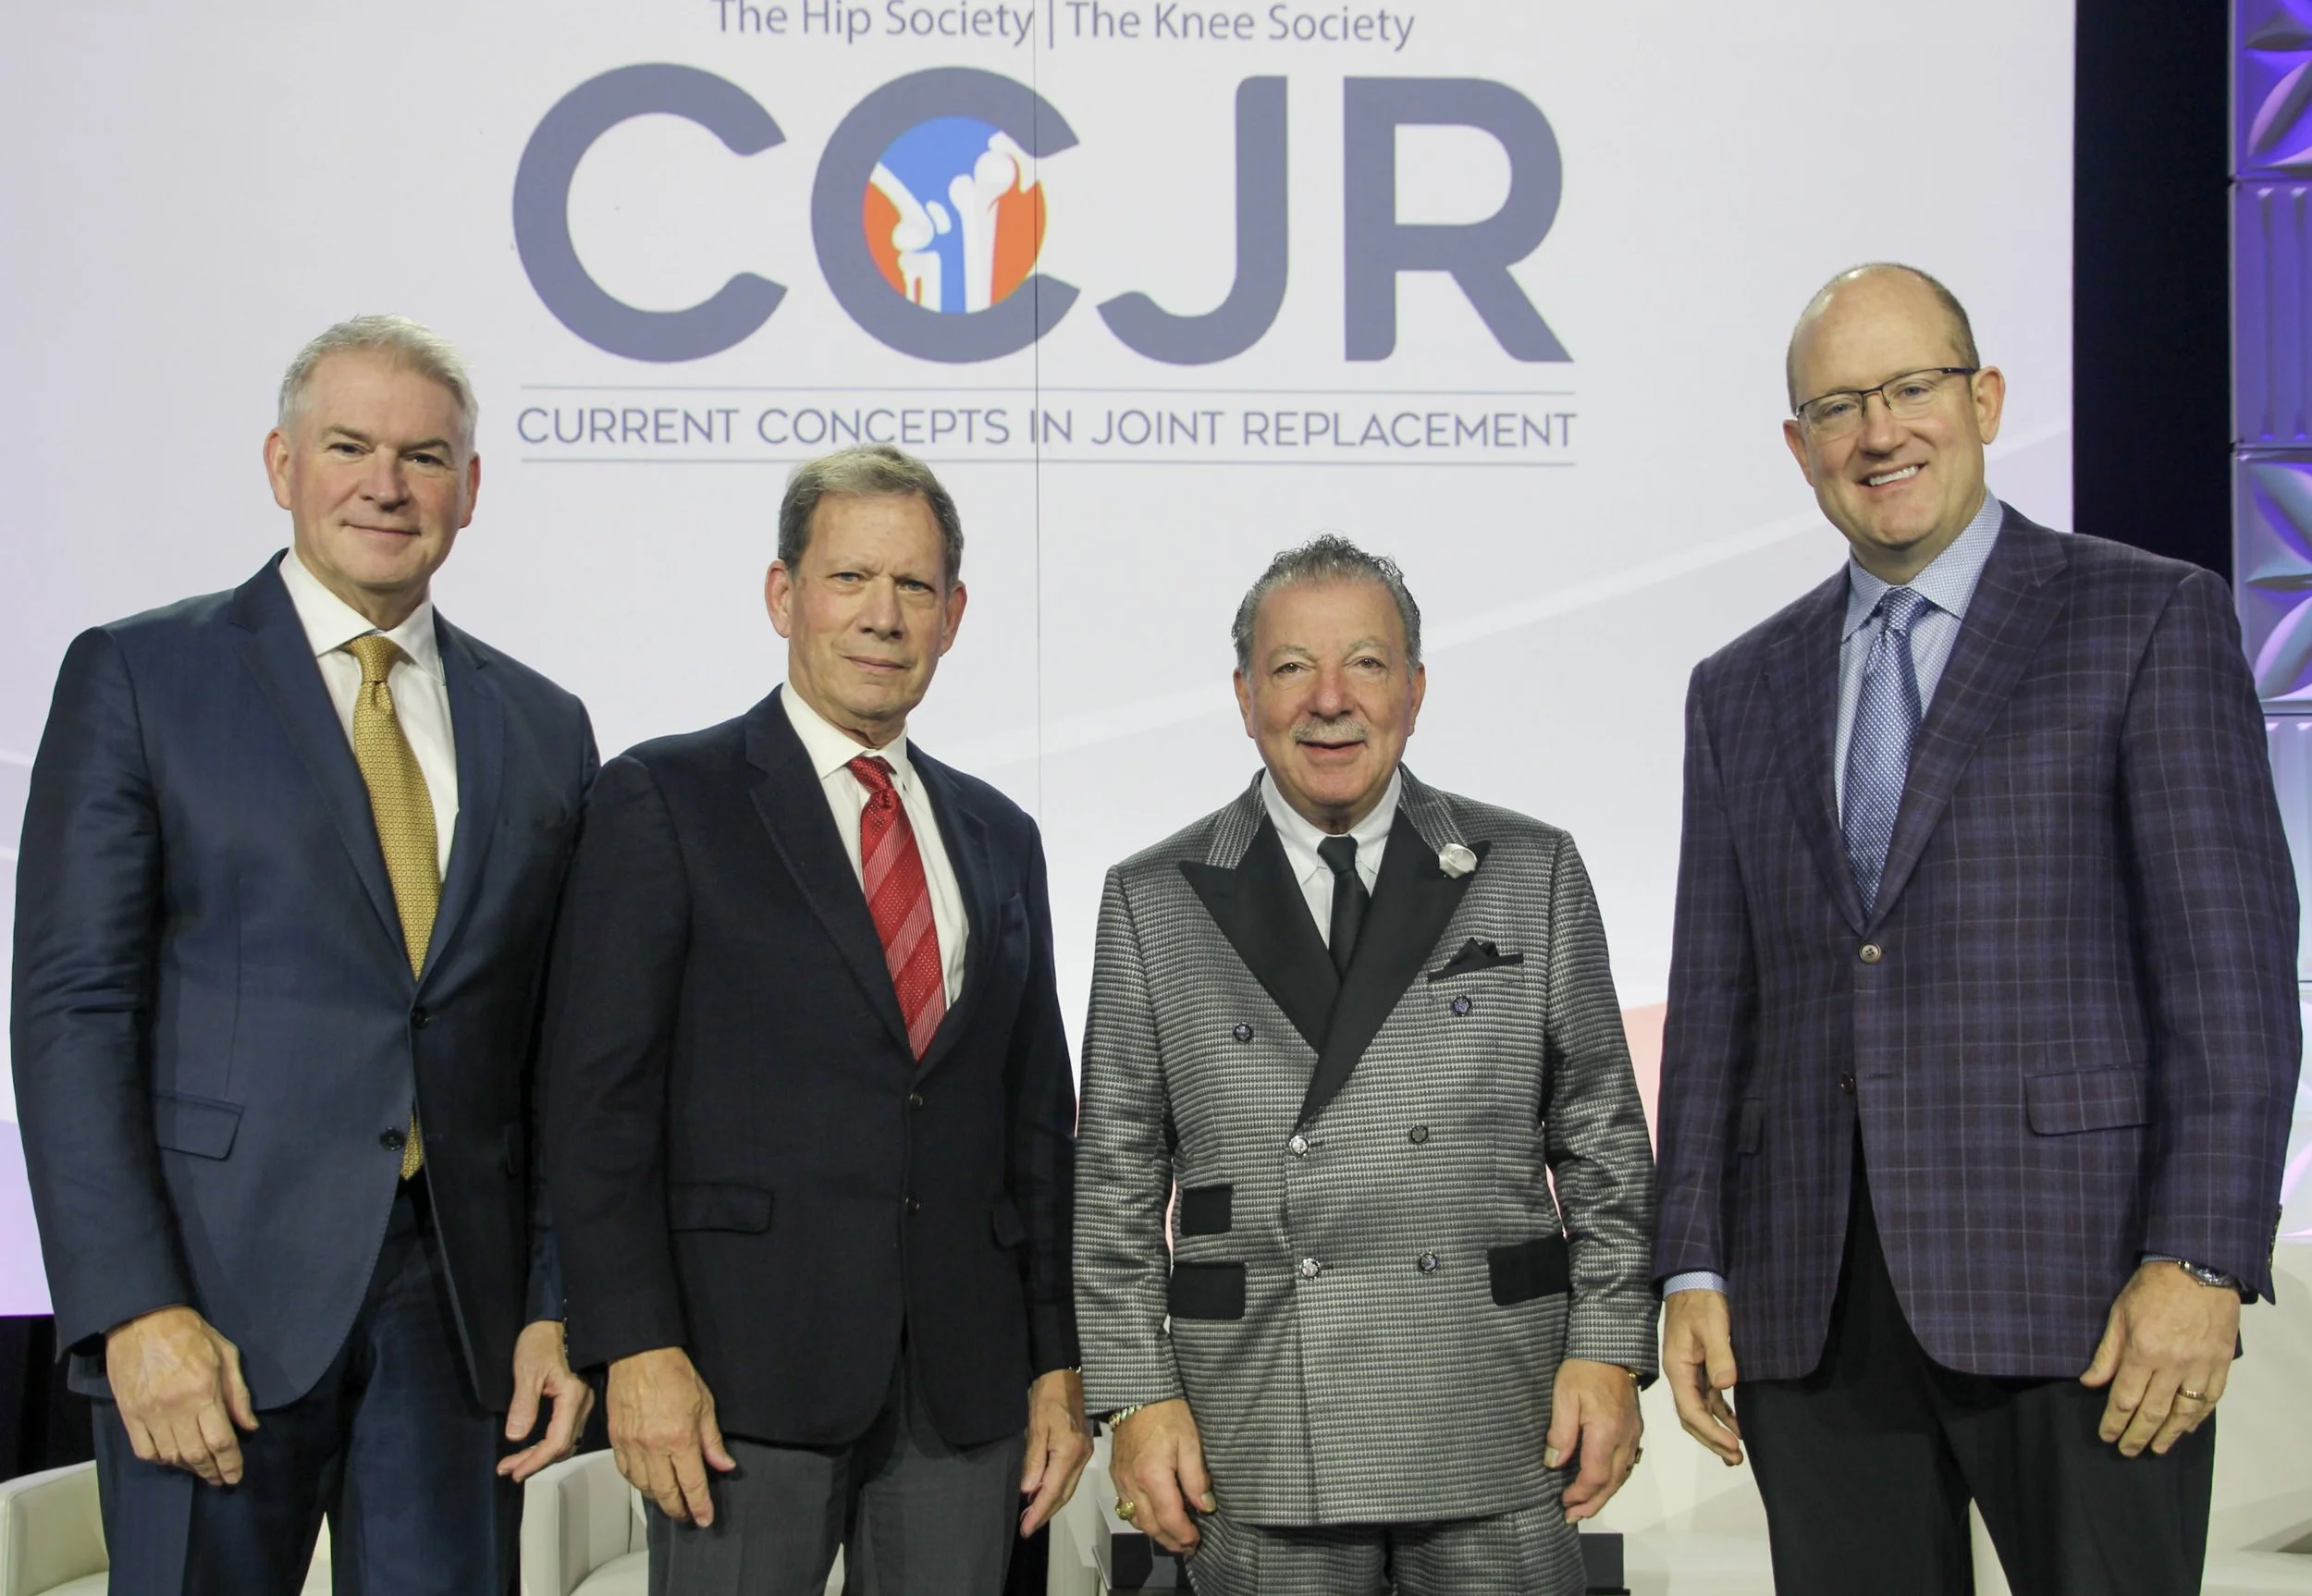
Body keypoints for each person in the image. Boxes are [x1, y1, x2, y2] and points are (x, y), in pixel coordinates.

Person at [1653, 263, 2303, 1594]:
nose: (1877, 432)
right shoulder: (1739, 686)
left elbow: (2232, 979)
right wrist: (1693, 1263)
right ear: (1799, 447)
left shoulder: (2146, 617)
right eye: (1837, 407)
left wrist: (2201, 1258)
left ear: (1986, 399)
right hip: (1810, 1306)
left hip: (2086, 1294)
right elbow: (1715, 1004)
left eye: (1910, 388)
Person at [10, 315, 597, 1592]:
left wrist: (556, 1303)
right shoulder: (141, 675)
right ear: (281, 464)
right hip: (209, 1306)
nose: (387, 484)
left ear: (471, 489)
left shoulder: (544, 724)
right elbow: (71, 1011)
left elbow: (557, 1052)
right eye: (348, 446)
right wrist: (130, 1307)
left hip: (460, 1323)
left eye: (424, 456)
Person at [539, 443, 1088, 1595]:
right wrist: (633, 1343)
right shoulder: (664, 797)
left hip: (961, 1389)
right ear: (783, 594)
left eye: (915, 586)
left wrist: (1056, 1361)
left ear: (953, 615)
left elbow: (1038, 1124)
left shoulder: (1001, 834)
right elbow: (596, 1104)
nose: (883, 615)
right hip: (737, 1381)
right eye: (850, 579)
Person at [1073, 535, 1657, 1596]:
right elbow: (1112, 1185)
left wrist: (1610, 1345)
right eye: (1292, 667)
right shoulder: (1153, 897)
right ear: (1244, 696)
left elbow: (1604, 1142)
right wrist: (1137, 1395)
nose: (1329, 700)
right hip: (1256, 1423)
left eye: (1366, 664)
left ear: (1415, 690)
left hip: (1498, 1407)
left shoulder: (1530, 869)